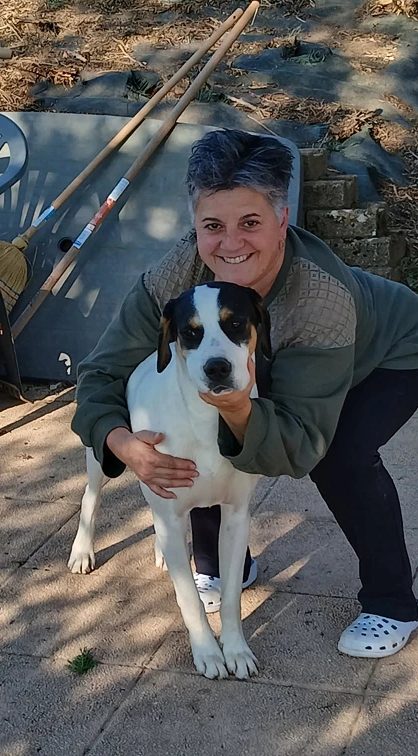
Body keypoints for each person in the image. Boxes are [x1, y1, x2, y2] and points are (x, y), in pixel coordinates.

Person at [71, 129, 418, 659]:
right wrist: (118, 441)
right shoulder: (180, 276)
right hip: (289, 347)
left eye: (250, 223)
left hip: (392, 352)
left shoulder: (318, 301)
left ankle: (392, 604)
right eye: (214, 225)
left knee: (340, 455)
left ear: (283, 221)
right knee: (200, 417)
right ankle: (223, 562)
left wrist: (237, 406)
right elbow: (101, 371)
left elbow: (298, 445)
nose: (230, 245)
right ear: (196, 226)